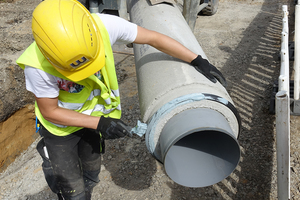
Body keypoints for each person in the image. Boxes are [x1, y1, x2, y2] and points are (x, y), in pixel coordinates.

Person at [16, 0, 226, 199]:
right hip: (60, 129)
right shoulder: (37, 66)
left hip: (93, 116)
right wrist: (99, 123)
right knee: (70, 185)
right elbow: (50, 111)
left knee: (91, 171)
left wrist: (196, 59)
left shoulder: (103, 26)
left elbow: (154, 38)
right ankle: (59, 174)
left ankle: (86, 189)